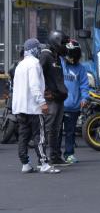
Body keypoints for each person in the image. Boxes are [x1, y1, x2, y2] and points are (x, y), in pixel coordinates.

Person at [13, 38, 58, 173]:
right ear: (34, 49)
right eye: (38, 48)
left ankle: (25, 164)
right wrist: (42, 102)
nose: (40, 50)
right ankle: (43, 163)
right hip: (32, 107)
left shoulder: (20, 65)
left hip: (20, 107)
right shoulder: (34, 64)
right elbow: (34, 86)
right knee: (39, 136)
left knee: (23, 136)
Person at [40, 30, 70, 166]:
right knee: (49, 130)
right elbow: (38, 75)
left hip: (59, 98)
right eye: (63, 43)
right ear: (56, 42)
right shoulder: (45, 56)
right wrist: (45, 92)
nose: (65, 46)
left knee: (56, 130)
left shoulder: (56, 57)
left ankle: (55, 156)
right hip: (51, 100)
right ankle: (45, 158)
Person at [60, 40, 89, 164]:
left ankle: (69, 154)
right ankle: (54, 154)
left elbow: (84, 85)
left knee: (70, 133)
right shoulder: (59, 63)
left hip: (73, 106)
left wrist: (84, 98)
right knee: (55, 133)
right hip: (59, 105)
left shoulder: (80, 69)